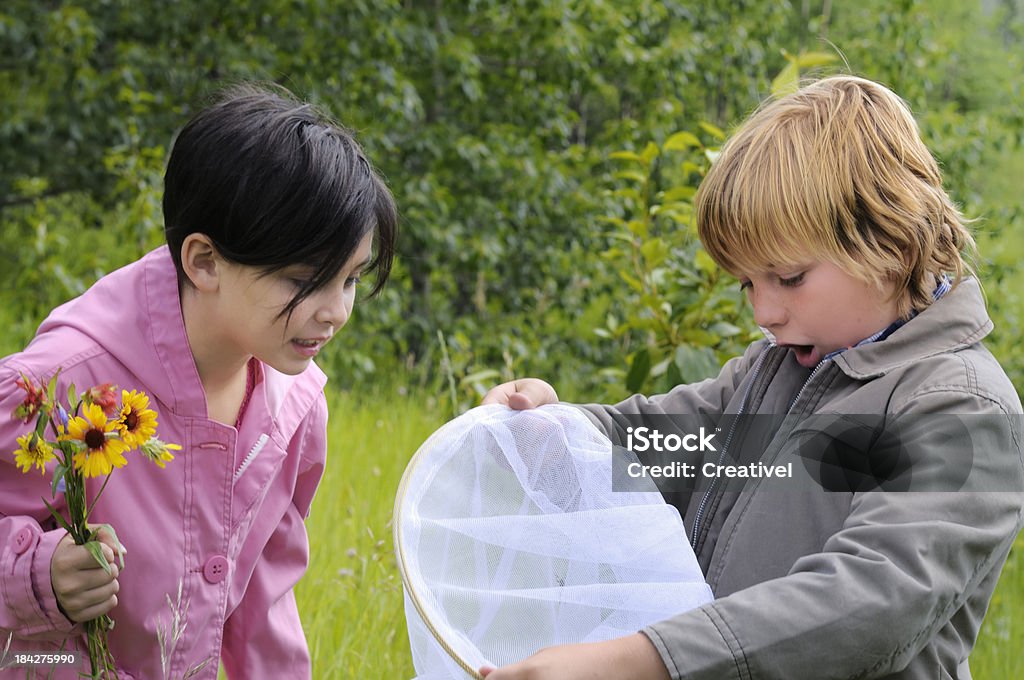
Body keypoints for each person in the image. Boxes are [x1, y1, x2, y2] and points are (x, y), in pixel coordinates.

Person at [480, 76, 1024, 679]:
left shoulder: (961, 409)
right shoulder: (771, 375)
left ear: (889, 242)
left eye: (788, 278)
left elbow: (871, 603)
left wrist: (649, 661)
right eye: (747, 284)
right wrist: (553, 429)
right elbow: (662, 446)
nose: (764, 312)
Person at [0, 84, 397, 678]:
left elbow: (265, 610)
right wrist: (36, 575)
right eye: (305, 280)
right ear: (204, 260)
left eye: (350, 279)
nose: (336, 310)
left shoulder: (294, 407)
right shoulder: (58, 387)